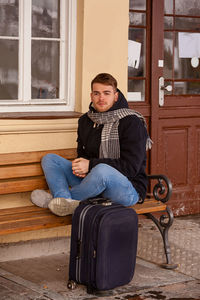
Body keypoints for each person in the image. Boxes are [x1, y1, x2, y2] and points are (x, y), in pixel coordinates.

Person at [31, 73, 151, 216]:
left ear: (116, 96)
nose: (101, 98)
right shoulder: (85, 121)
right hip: (92, 182)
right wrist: (80, 167)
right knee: (50, 159)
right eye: (97, 93)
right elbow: (83, 156)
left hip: (127, 189)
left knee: (102, 170)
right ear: (91, 96)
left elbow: (131, 168)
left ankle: (59, 200)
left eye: (107, 93)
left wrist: (90, 165)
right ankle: (64, 201)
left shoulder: (131, 122)